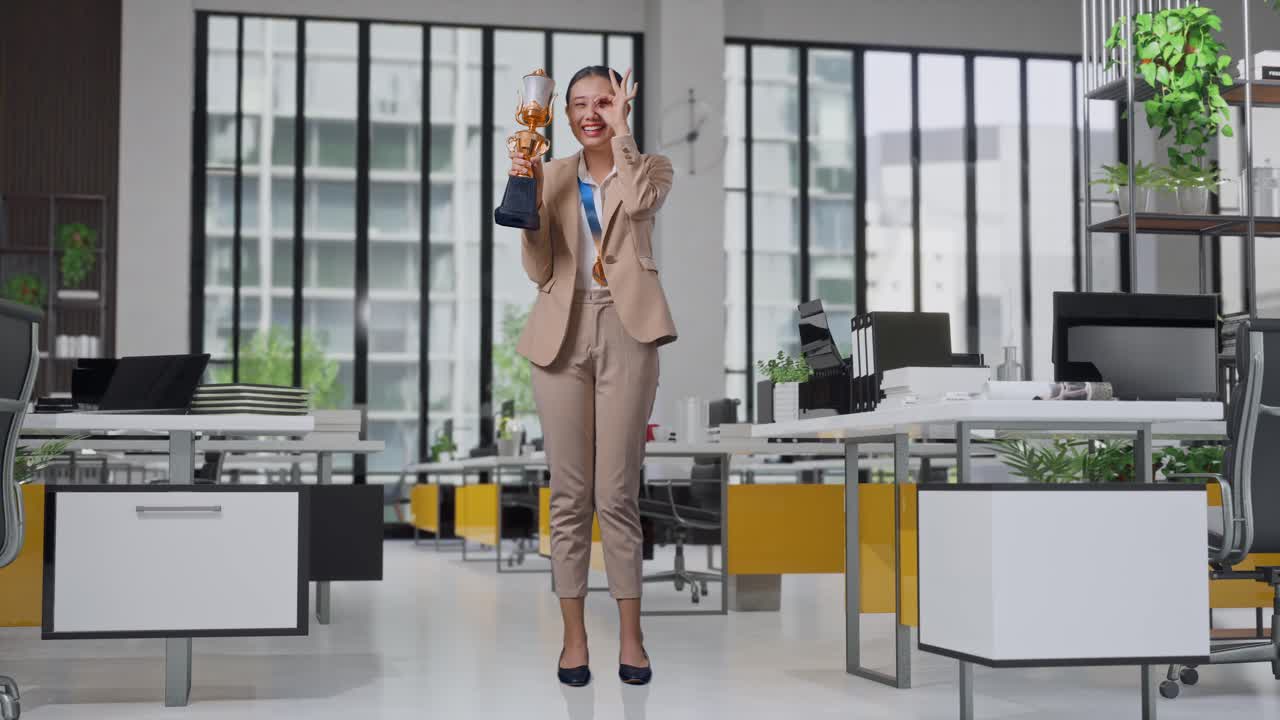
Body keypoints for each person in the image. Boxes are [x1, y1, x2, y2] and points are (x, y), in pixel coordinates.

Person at [509, 65, 676, 688]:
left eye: (603, 102)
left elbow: (641, 204)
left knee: (617, 495)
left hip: (629, 330)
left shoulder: (651, 167)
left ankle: (632, 637)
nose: (590, 113)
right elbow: (538, 268)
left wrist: (624, 134)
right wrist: (527, 201)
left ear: (620, 106)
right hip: (561, 332)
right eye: (578, 104)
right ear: (564, 113)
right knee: (570, 496)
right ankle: (573, 639)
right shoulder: (551, 173)